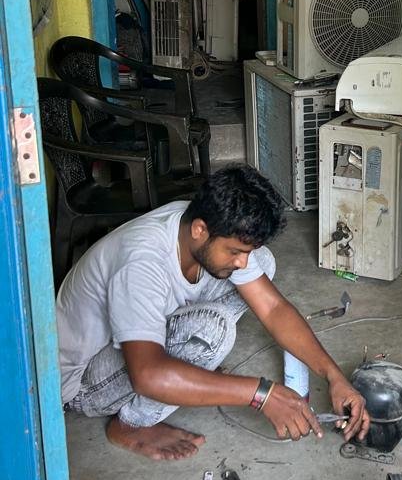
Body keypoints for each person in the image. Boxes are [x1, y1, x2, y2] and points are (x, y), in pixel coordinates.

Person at [56, 166, 369, 462]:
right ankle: (130, 425)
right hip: (83, 382)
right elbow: (147, 375)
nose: (241, 261)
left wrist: (334, 376)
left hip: (135, 343)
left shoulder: (194, 222)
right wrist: (261, 394)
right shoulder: (140, 262)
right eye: (234, 251)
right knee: (212, 332)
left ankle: (190, 368)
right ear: (200, 230)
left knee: (263, 263)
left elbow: (273, 308)